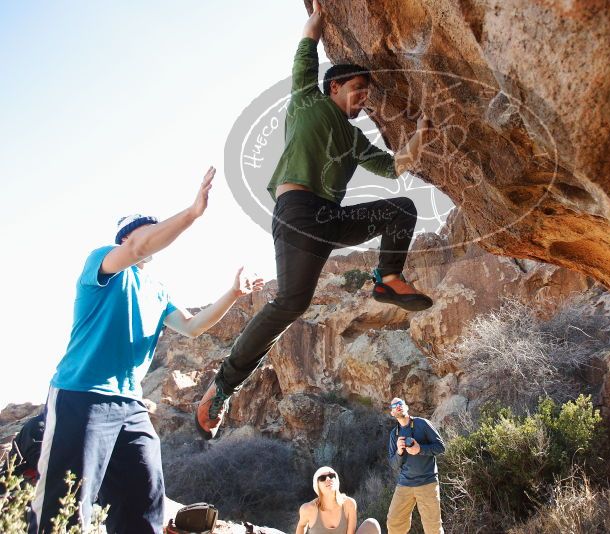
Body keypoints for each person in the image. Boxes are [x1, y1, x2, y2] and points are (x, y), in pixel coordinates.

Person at [195, 0, 435, 439]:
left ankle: (388, 279)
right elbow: (305, 49)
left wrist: (419, 137)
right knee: (291, 303)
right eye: (358, 89)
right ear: (335, 86)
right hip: (299, 211)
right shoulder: (307, 100)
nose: (364, 97)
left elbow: (395, 167)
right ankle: (222, 387)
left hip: (331, 219)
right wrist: (319, 16)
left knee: (401, 208)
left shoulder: (355, 138)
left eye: (367, 91)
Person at [29, 167, 265, 534]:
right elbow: (139, 247)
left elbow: (193, 326)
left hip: (130, 408)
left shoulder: (156, 289)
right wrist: (191, 214)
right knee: (67, 506)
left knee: (144, 504)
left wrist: (233, 294)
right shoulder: (102, 262)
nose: (154, 234)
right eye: (146, 228)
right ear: (126, 238)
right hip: (81, 397)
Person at [386, 398, 445, 534]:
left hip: (427, 483)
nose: (398, 406)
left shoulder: (422, 424)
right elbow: (394, 465)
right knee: (394, 523)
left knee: (433, 528)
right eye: (394, 406)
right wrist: (399, 452)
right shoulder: (394, 434)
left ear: (406, 407)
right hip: (404, 484)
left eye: (400, 403)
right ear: (392, 412)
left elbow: (441, 447)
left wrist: (420, 449)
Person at [295, 466, 381, 534]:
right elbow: (301, 526)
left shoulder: (349, 504)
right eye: (322, 478)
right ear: (317, 486)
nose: (328, 479)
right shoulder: (307, 509)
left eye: (332, 476)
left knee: (371, 524)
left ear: (337, 481)